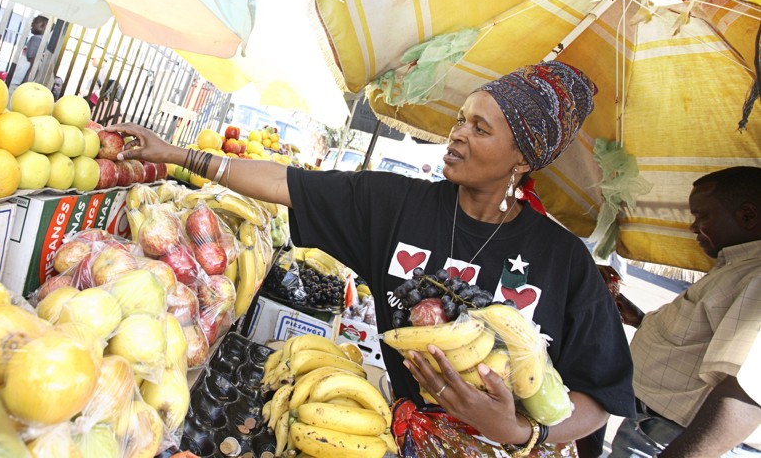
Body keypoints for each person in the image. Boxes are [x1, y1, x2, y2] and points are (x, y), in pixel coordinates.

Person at [108, 61, 635, 455]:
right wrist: (179, 155)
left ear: (522, 156)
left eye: (480, 128)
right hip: (401, 438)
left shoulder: (563, 260)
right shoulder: (397, 206)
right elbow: (288, 183)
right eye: (460, 120)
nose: (457, 133)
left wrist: (519, 431)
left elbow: (601, 395)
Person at [610, 167, 761, 457]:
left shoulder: (757, 279)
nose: (693, 228)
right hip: (656, 428)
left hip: (675, 440)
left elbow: (745, 394)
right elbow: (703, 335)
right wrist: (641, 321)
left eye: (701, 216)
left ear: (748, 216)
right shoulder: (737, 266)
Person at [8, 15, 48, 93]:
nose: (31, 25)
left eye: (34, 22)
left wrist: (25, 82)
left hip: (18, 82)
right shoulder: (43, 41)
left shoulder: (35, 39)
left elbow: (34, 63)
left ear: (43, 25)